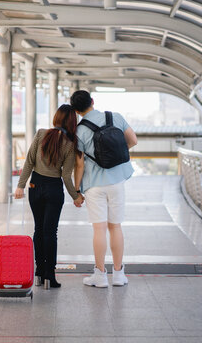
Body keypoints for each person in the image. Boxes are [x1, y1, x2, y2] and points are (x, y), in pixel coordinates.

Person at [70, 90, 138, 288]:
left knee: (98, 229)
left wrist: (76, 191)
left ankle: (100, 276)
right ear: (92, 101)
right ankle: (118, 275)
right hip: (117, 180)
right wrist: (116, 153)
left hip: (94, 185)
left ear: (76, 110)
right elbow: (133, 140)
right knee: (115, 226)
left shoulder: (79, 131)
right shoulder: (114, 117)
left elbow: (79, 164)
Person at [15, 104, 85, 289]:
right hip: (54, 189)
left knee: (38, 230)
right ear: (72, 122)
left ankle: (39, 271)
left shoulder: (41, 134)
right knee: (50, 233)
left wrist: (21, 186)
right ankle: (49, 276)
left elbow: (29, 162)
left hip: (35, 187)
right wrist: (75, 196)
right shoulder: (70, 144)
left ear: (56, 118)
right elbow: (66, 175)